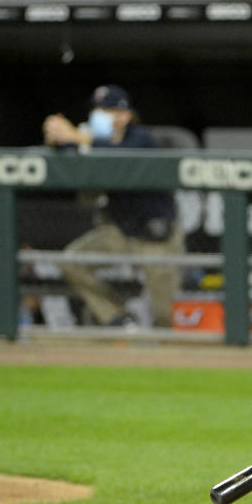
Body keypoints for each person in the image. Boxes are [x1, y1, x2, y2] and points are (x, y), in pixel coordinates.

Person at [42, 85, 183, 328]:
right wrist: (55, 136)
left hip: (155, 236)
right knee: (72, 262)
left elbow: (120, 155)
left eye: (106, 110)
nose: (99, 115)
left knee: (165, 314)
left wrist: (76, 137)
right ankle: (118, 318)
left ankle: (173, 357)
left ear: (124, 115)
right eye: (97, 110)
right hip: (120, 231)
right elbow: (68, 150)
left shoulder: (141, 137)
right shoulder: (93, 140)